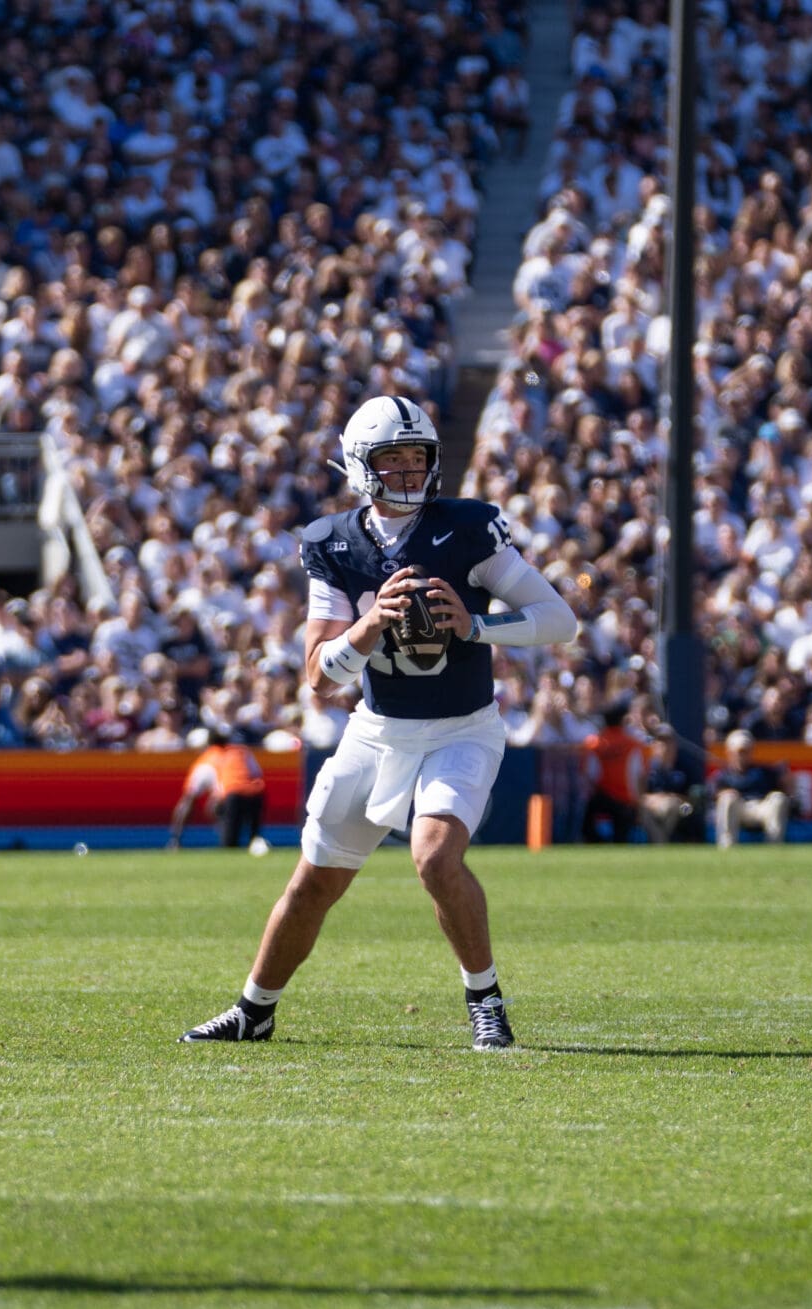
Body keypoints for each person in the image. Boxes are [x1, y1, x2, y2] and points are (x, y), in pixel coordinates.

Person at [181, 395, 578, 1050]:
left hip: (461, 727)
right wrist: (369, 626)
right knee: (314, 881)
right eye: (390, 460)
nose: (406, 472)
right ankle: (255, 1008)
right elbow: (318, 674)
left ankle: (485, 1000)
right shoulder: (333, 543)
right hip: (377, 730)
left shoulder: (468, 528)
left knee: (434, 856)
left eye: (416, 458)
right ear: (361, 466)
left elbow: (559, 618)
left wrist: (474, 623)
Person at [169, 728, 269, 850]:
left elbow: (190, 798)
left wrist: (176, 838)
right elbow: (257, 774)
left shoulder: (208, 759)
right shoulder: (242, 752)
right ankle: (255, 840)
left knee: (229, 844)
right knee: (254, 837)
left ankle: (229, 839)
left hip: (232, 795)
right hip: (256, 794)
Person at [712, 730, 791, 847]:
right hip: (739, 809)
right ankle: (726, 846)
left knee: (778, 798)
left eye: (747, 751)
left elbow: (783, 789)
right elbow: (713, 795)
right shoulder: (722, 776)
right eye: (740, 752)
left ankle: (774, 846)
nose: (743, 755)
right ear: (730, 752)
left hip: (760, 808)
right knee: (727, 798)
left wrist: (786, 781)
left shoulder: (764, 772)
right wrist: (724, 794)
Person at [580, 699, 644, 842]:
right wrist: (638, 803)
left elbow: (590, 774)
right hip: (626, 801)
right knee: (621, 838)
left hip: (603, 797)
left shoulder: (594, 743)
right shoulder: (632, 744)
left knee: (588, 821)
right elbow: (637, 775)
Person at [637, 725, 700, 844]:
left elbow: (693, 798)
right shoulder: (646, 768)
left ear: (675, 745)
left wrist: (674, 798)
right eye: (660, 742)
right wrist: (654, 799)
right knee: (643, 811)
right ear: (654, 745)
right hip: (652, 806)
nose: (664, 746)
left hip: (682, 807)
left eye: (668, 742)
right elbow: (639, 795)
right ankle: (661, 841)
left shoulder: (685, 767)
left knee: (675, 806)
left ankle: (660, 842)